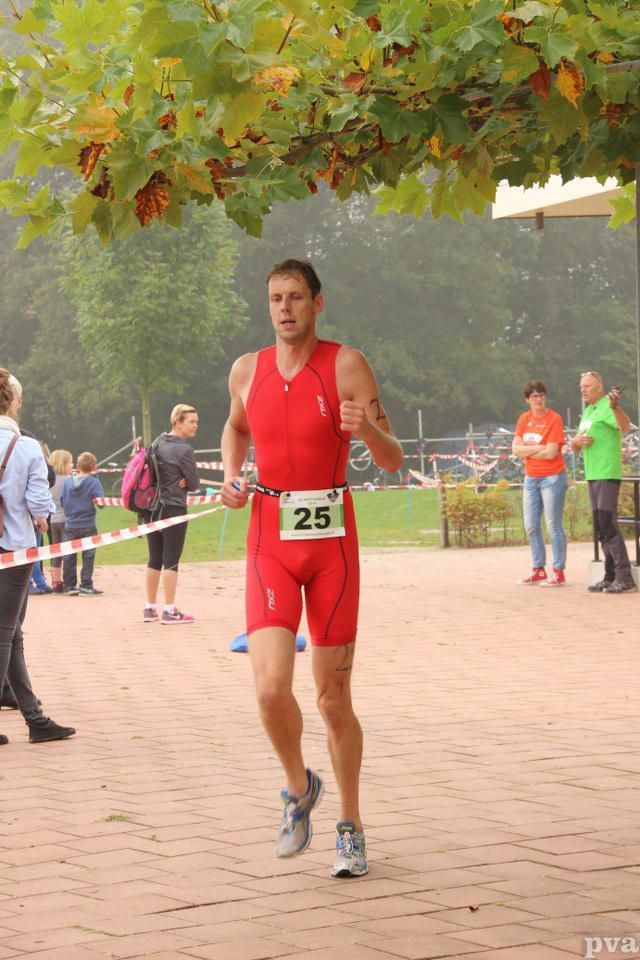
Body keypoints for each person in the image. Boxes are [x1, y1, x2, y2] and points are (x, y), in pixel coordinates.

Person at [221, 259, 403, 878]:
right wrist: (230, 474)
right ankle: (301, 790)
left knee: (331, 698)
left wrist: (367, 430)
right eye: (275, 298)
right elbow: (235, 427)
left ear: (317, 303)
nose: (285, 308)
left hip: (332, 548)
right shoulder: (247, 370)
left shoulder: (346, 364)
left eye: (296, 297)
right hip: (269, 538)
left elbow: (393, 458)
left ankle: (349, 825)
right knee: (271, 691)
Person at [0, 367, 76, 744]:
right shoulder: (26, 446)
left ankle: (34, 718)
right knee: (6, 632)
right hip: (14, 546)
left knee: (10, 633)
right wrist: (42, 517)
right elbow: (38, 502)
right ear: (13, 402)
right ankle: (33, 719)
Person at [571, 371, 636, 593]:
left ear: (600, 387)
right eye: (581, 386)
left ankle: (625, 577)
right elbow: (577, 445)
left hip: (607, 472)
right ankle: (610, 576)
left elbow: (626, 428)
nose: (583, 389)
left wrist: (616, 406)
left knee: (608, 522)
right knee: (600, 526)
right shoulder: (588, 411)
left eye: (587, 386)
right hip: (592, 473)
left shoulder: (608, 407)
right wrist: (575, 442)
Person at [142, 404, 199, 624]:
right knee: (171, 560)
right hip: (174, 507)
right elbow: (193, 483)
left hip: (152, 507)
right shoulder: (184, 449)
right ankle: (169, 609)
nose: (195, 426)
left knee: (154, 558)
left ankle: (149, 608)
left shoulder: (157, 441)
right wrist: (184, 480)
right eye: (191, 421)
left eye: (196, 422)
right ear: (177, 421)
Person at [512, 380, 568, 586]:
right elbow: (515, 450)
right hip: (531, 478)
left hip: (552, 477)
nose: (538, 399)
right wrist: (539, 448)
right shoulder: (523, 419)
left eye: (541, 395)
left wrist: (528, 448)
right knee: (532, 525)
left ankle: (558, 571)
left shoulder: (554, 418)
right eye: (534, 396)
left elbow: (552, 452)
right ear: (527, 399)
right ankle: (538, 569)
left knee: (553, 525)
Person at [61, 451, 104, 596]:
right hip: (88, 524)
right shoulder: (94, 482)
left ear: (77, 466)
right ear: (94, 467)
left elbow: (62, 501)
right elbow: (101, 504)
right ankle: (86, 584)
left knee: (69, 555)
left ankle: (69, 585)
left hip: (70, 524)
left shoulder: (67, 482)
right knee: (88, 555)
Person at [48, 449, 73, 593]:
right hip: (66, 519)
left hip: (53, 520)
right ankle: (69, 581)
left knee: (55, 551)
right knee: (68, 552)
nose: (72, 465)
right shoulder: (68, 480)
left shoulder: (49, 480)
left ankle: (56, 582)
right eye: (70, 462)